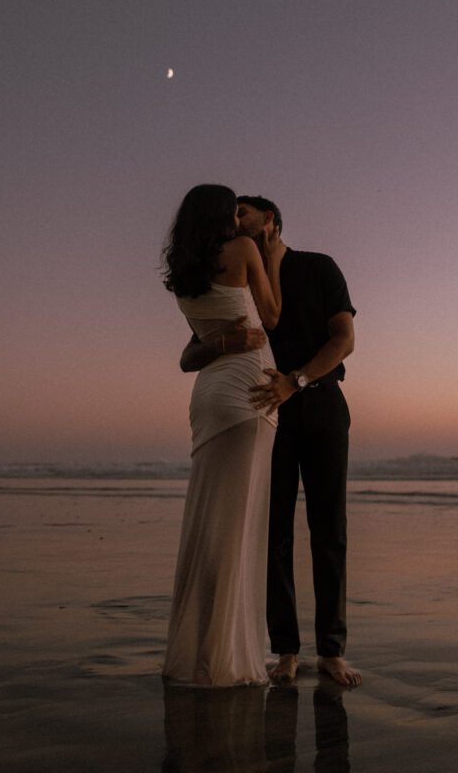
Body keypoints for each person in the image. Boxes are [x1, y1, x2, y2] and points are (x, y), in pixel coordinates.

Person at [180, 195, 361, 687]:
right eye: (230, 212)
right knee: (273, 533)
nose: (234, 220)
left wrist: (295, 381)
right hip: (261, 410)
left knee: (328, 531)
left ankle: (331, 651)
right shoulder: (231, 268)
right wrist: (224, 345)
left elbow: (343, 339)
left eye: (244, 212)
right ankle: (285, 651)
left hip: (320, 404)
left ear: (271, 220)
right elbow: (192, 349)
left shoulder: (318, 267)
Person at [161, 184, 282, 686]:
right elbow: (271, 316)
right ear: (220, 215)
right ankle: (224, 657)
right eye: (233, 209)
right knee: (237, 529)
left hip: (209, 397)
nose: (239, 217)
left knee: (211, 524)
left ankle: (201, 647)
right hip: (247, 394)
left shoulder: (182, 273)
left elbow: (194, 350)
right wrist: (272, 257)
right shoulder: (245, 249)